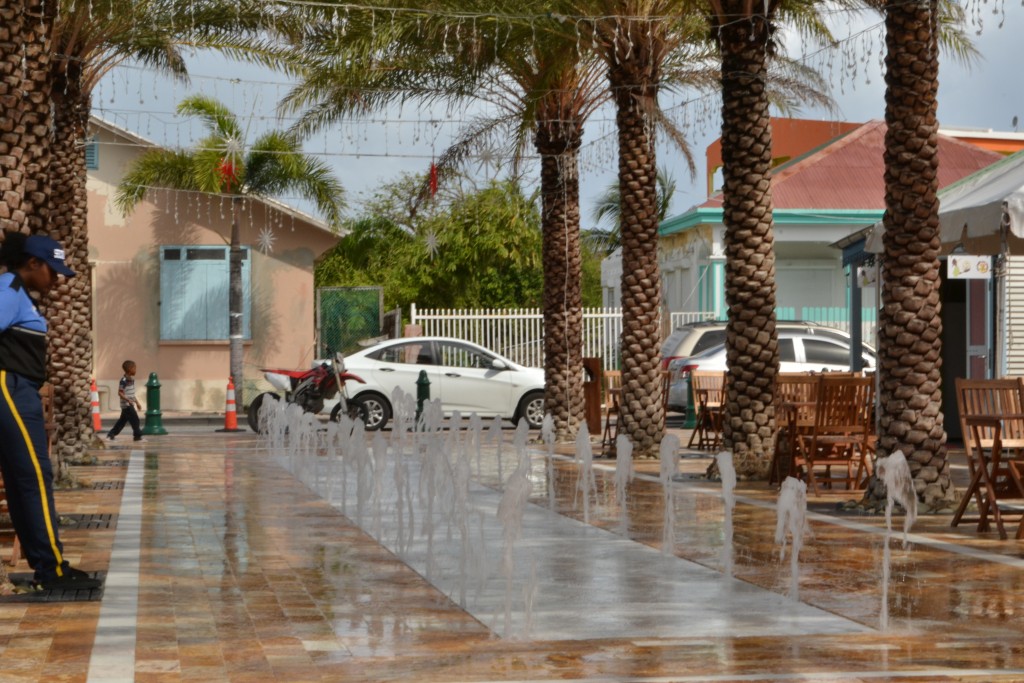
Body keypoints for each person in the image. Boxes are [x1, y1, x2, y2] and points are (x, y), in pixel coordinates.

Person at [0, 232, 101, 590]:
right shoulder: (8, 291)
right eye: (53, 270)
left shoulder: (17, 292)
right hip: (9, 388)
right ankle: (53, 570)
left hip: (18, 388)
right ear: (32, 264)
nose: (57, 278)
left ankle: (47, 567)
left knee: (23, 480)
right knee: (33, 478)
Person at [107, 360, 144, 442]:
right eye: (134, 368)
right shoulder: (123, 380)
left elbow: (131, 394)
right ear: (130, 369)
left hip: (129, 403)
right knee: (135, 419)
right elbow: (120, 393)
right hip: (126, 405)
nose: (136, 370)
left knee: (122, 421)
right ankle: (137, 436)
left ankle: (111, 434)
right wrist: (128, 400)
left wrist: (137, 403)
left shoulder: (131, 380)